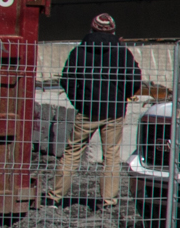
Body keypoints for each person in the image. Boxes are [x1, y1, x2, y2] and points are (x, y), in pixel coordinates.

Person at [49, 14, 149, 207]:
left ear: (91, 29)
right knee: (111, 155)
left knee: (72, 152)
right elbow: (135, 80)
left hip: (87, 110)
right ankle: (109, 200)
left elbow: (67, 80)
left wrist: (80, 102)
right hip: (114, 111)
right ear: (113, 31)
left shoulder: (79, 52)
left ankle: (55, 196)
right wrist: (122, 97)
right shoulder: (122, 52)